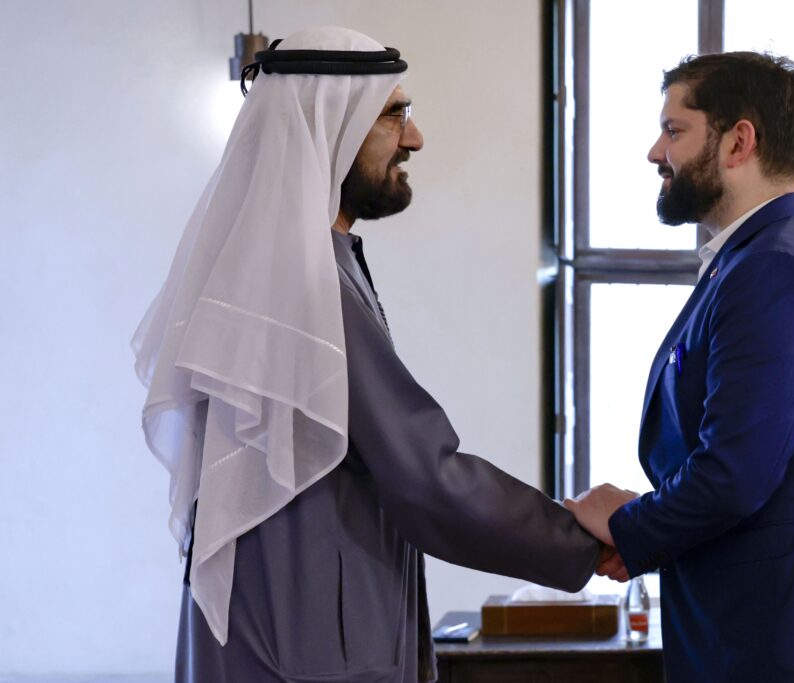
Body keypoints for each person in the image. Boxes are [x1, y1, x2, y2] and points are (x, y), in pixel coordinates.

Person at [132, 26, 600, 683]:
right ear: (331, 126)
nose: (414, 137)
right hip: (308, 647)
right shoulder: (302, 284)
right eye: (393, 114)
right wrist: (582, 537)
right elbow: (425, 474)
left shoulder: (288, 266)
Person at [565, 52, 794, 681]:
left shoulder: (778, 267)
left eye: (674, 130)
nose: (655, 152)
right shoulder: (754, 257)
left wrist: (628, 525)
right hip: (760, 621)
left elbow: (736, 474)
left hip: (786, 634)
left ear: (738, 141)